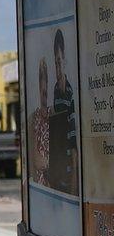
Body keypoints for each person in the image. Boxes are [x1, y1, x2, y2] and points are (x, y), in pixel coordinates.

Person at [52, 28, 78, 190]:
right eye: (56, 63)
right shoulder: (56, 90)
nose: (58, 68)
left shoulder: (71, 93)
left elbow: (73, 141)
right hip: (59, 167)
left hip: (70, 167)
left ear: (65, 61)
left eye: (60, 62)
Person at [29, 57, 50, 186]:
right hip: (40, 183)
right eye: (41, 80)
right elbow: (37, 161)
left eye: (45, 80)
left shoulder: (52, 115)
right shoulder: (34, 119)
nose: (44, 88)